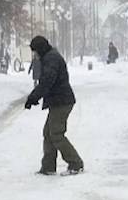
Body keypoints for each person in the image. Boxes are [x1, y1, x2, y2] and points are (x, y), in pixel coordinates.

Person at [24, 36, 84, 176]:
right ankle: (48, 166)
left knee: (56, 133)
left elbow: (46, 82)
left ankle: (75, 163)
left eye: (35, 51)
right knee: (48, 133)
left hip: (62, 101)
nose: (35, 54)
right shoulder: (50, 57)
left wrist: (33, 97)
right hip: (59, 100)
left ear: (40, 48)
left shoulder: (51, 59)